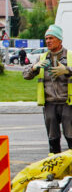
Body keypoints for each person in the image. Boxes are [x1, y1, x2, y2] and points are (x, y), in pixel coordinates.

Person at [23, 24, 72, 153]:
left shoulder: (70, 56)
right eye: (46, 38)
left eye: (51, 38)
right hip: (50, 103)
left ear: (59, 40)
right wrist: (34, 68)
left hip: (68, 103)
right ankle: (55, 169)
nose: (48, 41)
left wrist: (67, 70)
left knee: (70, 137)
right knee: (53, 140)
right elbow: (25, 75)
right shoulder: (42, 58)